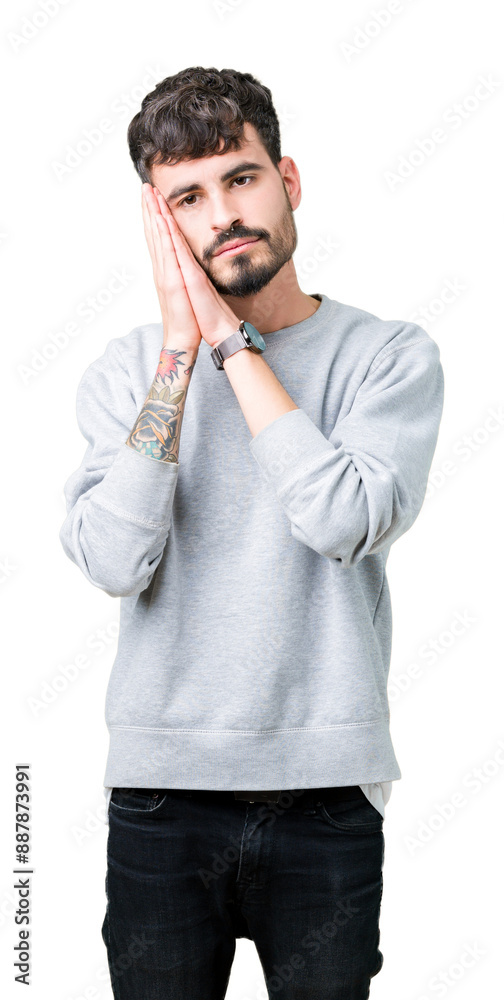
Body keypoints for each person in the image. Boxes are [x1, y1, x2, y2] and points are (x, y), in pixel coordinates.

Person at [59, 66, 444, 999]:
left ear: (289, 182)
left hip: (326, 797)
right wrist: (180, 352)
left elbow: (343, 519)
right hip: (160, 798)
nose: (222, 212)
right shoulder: (127, 375)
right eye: (187, 196)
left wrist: (231, 342)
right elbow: (112, 560)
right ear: (164, 227)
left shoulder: (387, 357)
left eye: (240, 177)